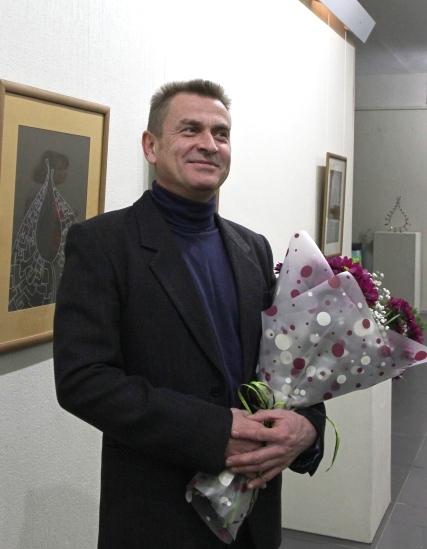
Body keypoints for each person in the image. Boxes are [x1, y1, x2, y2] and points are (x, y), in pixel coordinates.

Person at [53, 79, 326, 549]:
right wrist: (215, 431)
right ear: (151, 146)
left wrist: (309, 426)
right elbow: (83, 380)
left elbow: (284, 360)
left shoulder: (253, 247)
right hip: (158, 515)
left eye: (221, 134)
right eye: (190, 130)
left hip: (254, 516)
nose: (209, 144)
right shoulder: (102, 244)